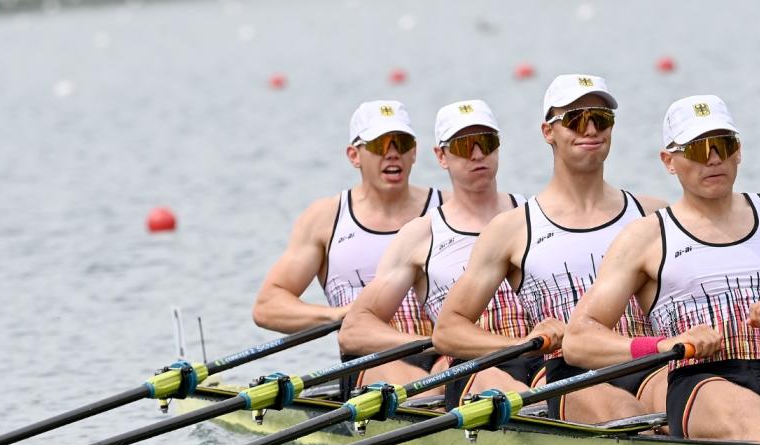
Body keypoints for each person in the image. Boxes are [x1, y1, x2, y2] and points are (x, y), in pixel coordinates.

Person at [562, 94, 760, 443]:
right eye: (697, 149)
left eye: (723, 145)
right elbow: (579, 340)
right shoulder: (645, 237)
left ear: (738, 151)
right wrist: (665, 345)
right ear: (669, 161)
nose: (713, 159)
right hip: (698, 382)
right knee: (751, 420)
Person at [433, 74, 668, 424]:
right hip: (570, 373)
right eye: (575, 120)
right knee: (628, 414)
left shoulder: (652, 214)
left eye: (601, 118)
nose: (591, 130)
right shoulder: (513, 229)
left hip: (647, 363)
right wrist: (518, 344)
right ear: (548, 132)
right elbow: (448, 329)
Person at [339, 100, 552, 406]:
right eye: (464, 146)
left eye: (486, 142)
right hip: (470, 366)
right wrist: (433, 345)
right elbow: (354, 330)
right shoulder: (422, 235)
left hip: (536, 358)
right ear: (441, 156)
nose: (477, 154)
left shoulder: (535, 215)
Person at [252, 99, 440, 391]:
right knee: (423, 384)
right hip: (368, 361)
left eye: (402, 143)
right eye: (379, 145)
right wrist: (337, 315)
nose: (392, 153)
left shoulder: (445, 209)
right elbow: (267, 306)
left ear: (414, 152)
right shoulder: (326, 219)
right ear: (354, 155)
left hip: (440, 354)